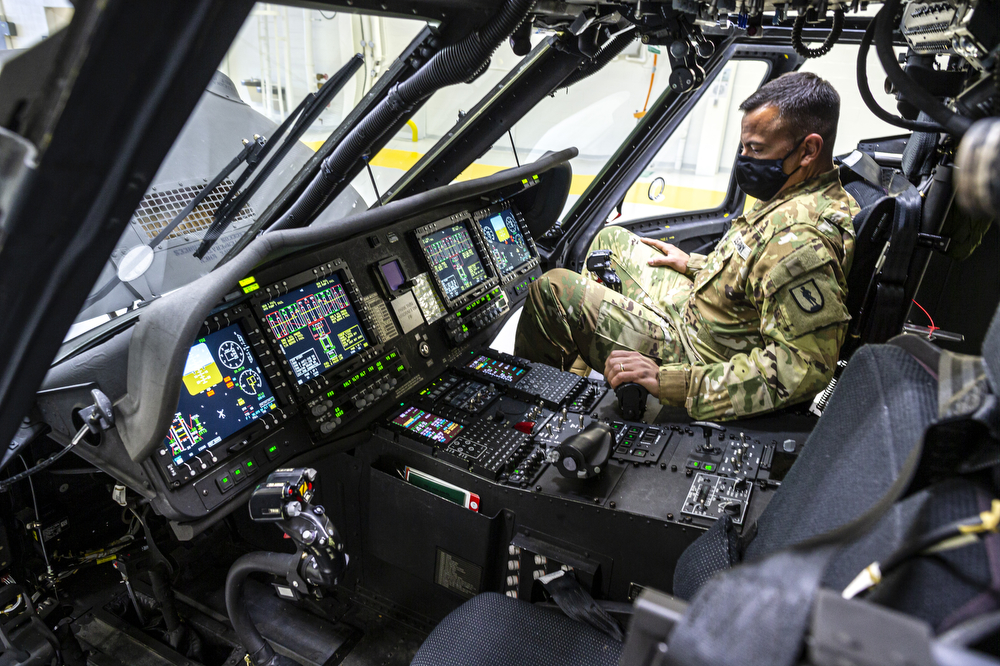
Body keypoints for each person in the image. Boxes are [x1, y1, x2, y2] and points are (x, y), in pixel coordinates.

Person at [514, 71, 860, 420]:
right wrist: (696, 266)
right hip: (705, 316)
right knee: (611, 241)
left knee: (553, 292)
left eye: (756, 149)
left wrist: (673, 382)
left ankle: (533, 412)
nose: (744, 159)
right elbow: (755, 270)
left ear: (809, 149)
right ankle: (577, 376)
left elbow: (802, 366)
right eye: (743, 146)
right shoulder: (813, 193)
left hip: (699, 356)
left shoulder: (799, 241)